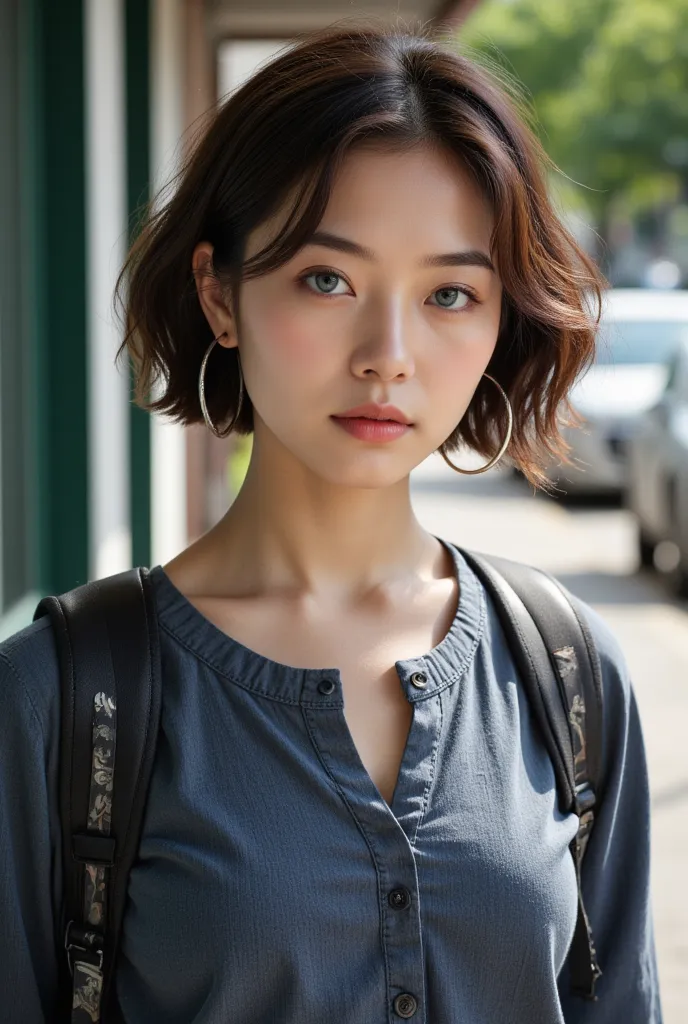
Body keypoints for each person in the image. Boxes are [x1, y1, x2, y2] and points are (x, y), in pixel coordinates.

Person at [0, 19, 663, 1024]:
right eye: (327, 278)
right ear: (220, 293)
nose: (388, 352)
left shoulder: (567, 674)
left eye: (448, 292)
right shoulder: (61, 701)